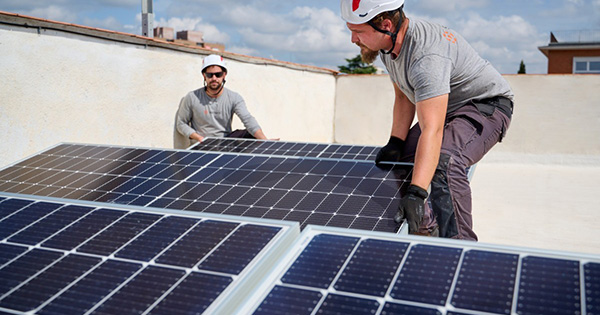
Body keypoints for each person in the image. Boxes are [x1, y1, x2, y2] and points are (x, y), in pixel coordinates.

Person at [341, 0, 514, 240]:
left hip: (485, 106)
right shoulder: (388, 49)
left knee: (445, 161)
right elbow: (403, 96)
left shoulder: (426, 56)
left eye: (357, 32)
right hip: (447, 108)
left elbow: (431, 130)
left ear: (386, 25)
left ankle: (460, 248)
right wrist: (395, 142)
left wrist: (417, 192)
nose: (353, 39)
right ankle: (425, 227)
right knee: (405, 158)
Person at [174, 54, 270, 148]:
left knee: (251, 134)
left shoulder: (234, 97)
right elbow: (181, 123)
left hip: (224, 144)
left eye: (218, 74)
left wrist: (265, 141)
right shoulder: (192, 97)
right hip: (201, 145)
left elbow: (248, 119)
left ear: (224, 75)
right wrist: (199, 138)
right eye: (210, 75)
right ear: (204, 76)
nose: (214, 78)